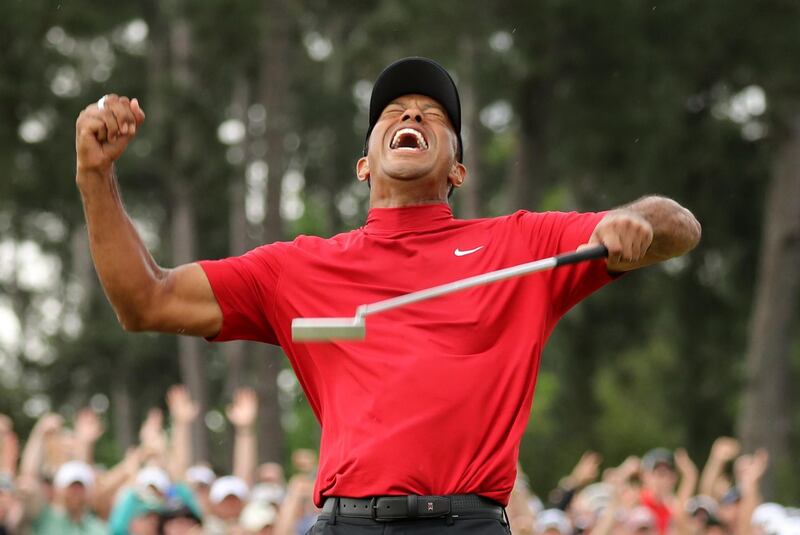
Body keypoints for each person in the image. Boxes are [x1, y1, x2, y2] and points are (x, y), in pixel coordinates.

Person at [74, 56, 701, 534]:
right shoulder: (297, 268)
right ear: (364, 163)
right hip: (349, 522)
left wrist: (634, 224)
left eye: (431, 114)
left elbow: (680, 227)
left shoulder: (522, 244)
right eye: (393, 111)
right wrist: (96, 177)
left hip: (471, 524)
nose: (410, 117)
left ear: (457, 168)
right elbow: (146, 302)